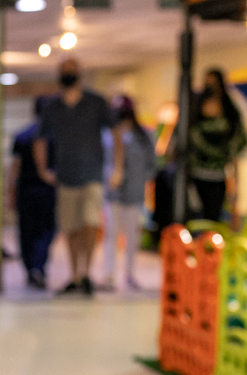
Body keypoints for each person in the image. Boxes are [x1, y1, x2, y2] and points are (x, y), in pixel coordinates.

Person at [34, 57, 120, 296]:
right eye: (64, 71)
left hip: (92, 174)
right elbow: (39, 139)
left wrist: (117, 168)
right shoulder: (53, 108)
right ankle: (75, 275)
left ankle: (87, 273)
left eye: (72, 70)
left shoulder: (96, 102)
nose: (68, 74)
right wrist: (44, 170)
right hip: (66, 176)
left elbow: (116, 134)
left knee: (90, 224)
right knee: (70, 228)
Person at [103, 95, 154, 291]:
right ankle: (109, 274)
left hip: (133, 192)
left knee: (132, 235)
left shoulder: (143, 136)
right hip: (113, 192)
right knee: (111, 233)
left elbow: (151, 164)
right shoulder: (108, 134)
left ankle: (129, 274)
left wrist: (141, 180)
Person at [9, 97, 57, 290]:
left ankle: (31, 268)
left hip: (26, 190)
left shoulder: (22, 136)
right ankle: (39, 266)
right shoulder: (56, 137)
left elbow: (15, 168)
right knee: (46, 230)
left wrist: (11, 191)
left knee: (26, 231)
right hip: (48, 191)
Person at [188, 68, 247, 223]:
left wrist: (235, 189)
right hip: (196, 175)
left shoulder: (230, 116)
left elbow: (237, 148)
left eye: (214, 84)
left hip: (218, 177)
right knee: (195, 218)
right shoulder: (194, 115)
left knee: (212, 219)